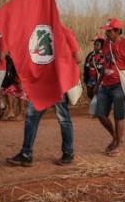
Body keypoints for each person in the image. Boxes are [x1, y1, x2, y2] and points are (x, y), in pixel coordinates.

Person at [7, 25, 82, 167]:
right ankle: (26, 154)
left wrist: (59, 67)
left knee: (62, 118)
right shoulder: (38, 31)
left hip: (57, 85)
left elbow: (77, 58)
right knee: (32, 117)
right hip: (42, 86)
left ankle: (68, 152)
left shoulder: (64, 32)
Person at [94, 18, 125, 157]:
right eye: (106, 31)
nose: (107, 34)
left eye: (110, 31)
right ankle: (116, 137)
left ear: (118, 31)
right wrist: (98, 83)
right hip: (106, 84)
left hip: (119, 85)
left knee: (119, 116)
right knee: (100, 114)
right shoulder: (107, 43)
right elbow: (105, 65)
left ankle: (119, 145)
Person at [83, 35, 105, 103]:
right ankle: (94, 104)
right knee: (90, 94)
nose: (95, 46)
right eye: (94, 44)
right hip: (90, 78)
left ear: (102, 46)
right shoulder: (90, 55)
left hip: (99, 79)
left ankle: (97, 107)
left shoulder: (104, 56)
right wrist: (85, 77)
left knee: (97, 93)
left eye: (97, 45)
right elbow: (85, 67)